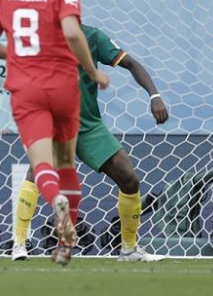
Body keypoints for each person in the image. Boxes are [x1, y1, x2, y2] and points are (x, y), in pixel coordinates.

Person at [0, 0, 110, 266]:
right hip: (65, 87)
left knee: (42, 165)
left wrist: (21, 54)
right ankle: (66, 244)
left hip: (27, 90)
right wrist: (92, 72)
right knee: (67, 162)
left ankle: (56, 205)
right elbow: (72, 32)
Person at [12, 24, 168, 261]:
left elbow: (131, 64)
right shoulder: (40, 38)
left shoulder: (93, 37)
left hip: (88, 125)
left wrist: (155, 96)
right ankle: (19, 244)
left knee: (129, 179)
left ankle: (128, 249)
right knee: (36, 171)